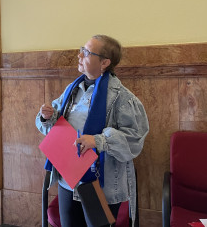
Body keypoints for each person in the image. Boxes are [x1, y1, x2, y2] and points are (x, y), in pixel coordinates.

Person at [36, 35, 149, 227]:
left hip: (100, 185)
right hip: (68, 178)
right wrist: (47, 116)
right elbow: (54, 123)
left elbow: (135, 140)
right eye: (82, 49)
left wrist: (98, 141)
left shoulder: (122, 98)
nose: (79, 55)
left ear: (104, 62)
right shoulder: (73, 89)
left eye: (87, 52)